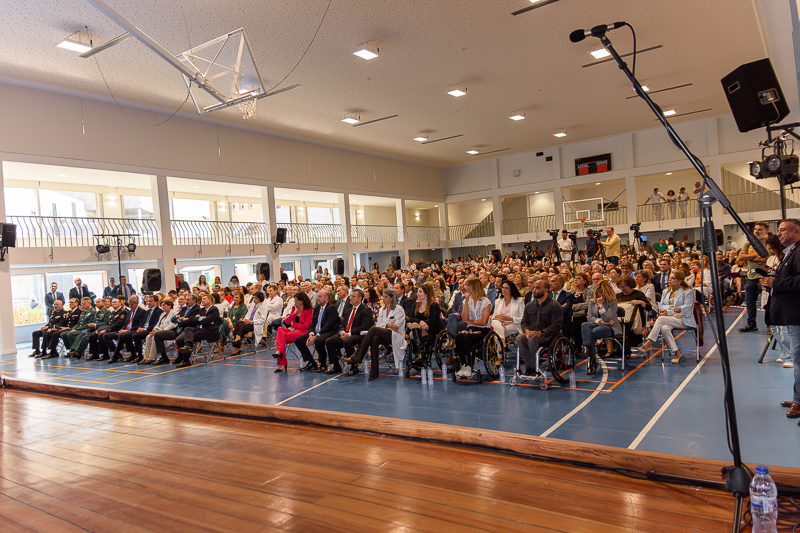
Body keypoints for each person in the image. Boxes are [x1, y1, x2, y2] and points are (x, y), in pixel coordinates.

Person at [760, 219, 800, 420]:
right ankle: (797, 398)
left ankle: (799, 402)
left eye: (783, 230)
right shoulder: (790, 251)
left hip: (797, 312)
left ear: (797, 230)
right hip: (792, 313)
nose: (780, 234)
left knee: (799, 359)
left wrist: (776, 282)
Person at [633, 271, 696, 364]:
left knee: (660, 319)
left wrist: (669, 311)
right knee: (664, 328)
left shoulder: (688, 291)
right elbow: (661, 306)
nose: (670, 280)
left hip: (684, 319)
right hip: (669, 318)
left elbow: (687, 307)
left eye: (673, 278)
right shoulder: (665, 291)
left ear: (680, 281)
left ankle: (649, 343)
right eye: (669, 278)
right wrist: (671, 309)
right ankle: (677, 353)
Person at [344, 289, 407, 380]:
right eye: (383, 296)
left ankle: (357, 356)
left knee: (373, 329)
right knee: (374, 338)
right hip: (383, 334)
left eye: (386, 297)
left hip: (396, 335)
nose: (383, 299)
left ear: (392, 298)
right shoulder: (382, 309)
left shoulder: (399, 309)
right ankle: (374, 372)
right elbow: (379, 325)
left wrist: (386, 325)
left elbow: (396, 327)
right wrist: (389, 325)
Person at [516, 279, 563, 377]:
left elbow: (556, 326)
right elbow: (524, 322)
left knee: (532, 338)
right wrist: (526, 330)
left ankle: (535, 368)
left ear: (546, 289)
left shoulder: (555, 306)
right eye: (534, 287)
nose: (534, 290)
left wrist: (541, 333)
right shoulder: (529, 305)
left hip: (548, 336)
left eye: (538, 288)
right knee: (520, 337)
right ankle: (531, 367)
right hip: (532, 334)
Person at [326, 289, 374, 374]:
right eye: (350, 296)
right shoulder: (348, 311)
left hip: (359, 335)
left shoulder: (366, 310)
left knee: (348, 341)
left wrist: (349, 334)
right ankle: (336, 365)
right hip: (347, 334)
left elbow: (365, 326)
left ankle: (354, 367)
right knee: (329, 341)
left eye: (353, 296)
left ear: (360, 299)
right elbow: (343, 325)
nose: (350, 298)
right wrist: (342, 332)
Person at [581, 280, 622, 375]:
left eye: (603, 292)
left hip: (611, 327)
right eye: (599, 292)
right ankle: (588, 350)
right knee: (584, 325)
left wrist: (600, 306)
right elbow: (589, 317)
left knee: (590, 333)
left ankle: (591, 360)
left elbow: (607, 317)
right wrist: (600, 321)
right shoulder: (592, 301)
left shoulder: (613, 302)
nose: (601, 294)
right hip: (599, 324)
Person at [737, 222, 770, 332]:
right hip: (751, 277)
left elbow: (766, 258)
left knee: (768, 302)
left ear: (766, 231)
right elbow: (741, 256)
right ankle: (751, 324)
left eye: (760, 229)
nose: (757, 231)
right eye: (756, 229)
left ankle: (770, 325)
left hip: (766, 277)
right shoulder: (748, 243)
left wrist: (749, 257)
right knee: (749, 302)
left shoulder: (769, 242)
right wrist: (758, 255)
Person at [296, 290, 340, 372]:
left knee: (318, 340)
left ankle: (323, 364)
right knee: (299, 340)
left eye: (320, 296)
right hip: (317, 332)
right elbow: (312, 324)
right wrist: (311, 334)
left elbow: (329, 325)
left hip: (329, 332)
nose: (317, 298)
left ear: (326, 298)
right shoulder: (316, 308)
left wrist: (316, 336)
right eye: (317, 296)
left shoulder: (331, 308)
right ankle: (311, 362)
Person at [174, 294, 220, 368]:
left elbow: (207, 321)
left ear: (210, 300)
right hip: (199, 329)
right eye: (202, 299)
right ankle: (182, 354)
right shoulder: (202, 310)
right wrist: (202, 318)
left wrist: (200, 318)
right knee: (184, 333)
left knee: (189, 337)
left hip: (208, 331)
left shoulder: (214, 309)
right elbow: (194, 320)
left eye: (204, 299)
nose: (202, 300)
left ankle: (186, 360)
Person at [273, 292, 313, 373]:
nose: (294, 302)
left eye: (296, 300)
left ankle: (282, 362)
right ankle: (280, 353)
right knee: (280, 329)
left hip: (303, 332)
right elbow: (287, 322)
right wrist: (294, 313)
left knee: (281, 338)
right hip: (293, 330)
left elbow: (306, 326)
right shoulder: (294, 309)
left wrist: (294, 324)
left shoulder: (308, 311)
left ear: (301, 301)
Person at [407, 283, 443, 368]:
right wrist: (420, 322)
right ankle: (421, 353)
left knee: (413, 331)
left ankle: (420, 354)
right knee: (414, 327)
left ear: (426, 294)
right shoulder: (415, 305)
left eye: (420, 292)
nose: (417, 293)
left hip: (431, 329)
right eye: (417, 291)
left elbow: (432, 323)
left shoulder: (434, 305)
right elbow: (411, 318)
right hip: (419, 329)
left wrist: (417, 324)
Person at [122, 294, 163, 363]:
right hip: (143, 329)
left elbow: (156, 324)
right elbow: (142, 322)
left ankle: (140, 355)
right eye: (148, 301)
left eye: (151, 301)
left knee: (136, 335)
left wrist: (144, 329)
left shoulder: (158, 311)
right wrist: (140, 328)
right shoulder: (147, 311)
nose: (149, 303)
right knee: (125, 335)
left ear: (156, 302)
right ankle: (133, 354)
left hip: (150, 330)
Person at [86, 297, 129, 361]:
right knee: (93, 335)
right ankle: (95, 354)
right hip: (110, 329)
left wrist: (106, 330)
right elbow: (107, 323)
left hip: (117, 330)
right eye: (112, 303)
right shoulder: (113, 312)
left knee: (102, 335)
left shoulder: (123, 312)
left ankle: (114, 353)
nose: (113, 304)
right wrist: (99, 329)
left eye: (115, 302)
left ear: (120, 303)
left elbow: (118, 324)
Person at [106, 296, 146, 364]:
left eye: (132, 304)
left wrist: (128, 330)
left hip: (135, 330)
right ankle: (129, 355)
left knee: (124, 335)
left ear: (137, 303)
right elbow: (126, 323)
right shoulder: (130, 312)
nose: (130, 306)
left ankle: (116, 355)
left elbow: (140, 325)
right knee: (114, 335)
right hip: (126, 330)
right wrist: (122, 329)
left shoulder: (142, 312)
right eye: (129, 304)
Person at [141, 299, 178, 364]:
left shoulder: (174, 313)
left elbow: (173, 325)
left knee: (155, 336)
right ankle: (146, 357)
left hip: (169, 332)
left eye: (164, 305)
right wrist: (155, 329)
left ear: (169, 306)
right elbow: (158, 324)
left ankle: (151, 358)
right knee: (148, 337)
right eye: (161, 305)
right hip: (159, 331)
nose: (162, 307)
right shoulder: (162, 314)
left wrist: (160, 331)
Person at [490, 280, 524, 347]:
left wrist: (510, 319)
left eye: (506, 288)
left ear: (511, 289)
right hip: (500, 324)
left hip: (514, 325)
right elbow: (494, 315)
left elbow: (522, 317)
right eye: (502, 287)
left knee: (498, 332)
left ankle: (500, 354)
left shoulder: (519, 301)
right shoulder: (498, 301)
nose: (504, 290)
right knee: (495, 322)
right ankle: (503, 343)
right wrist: (498, 316)